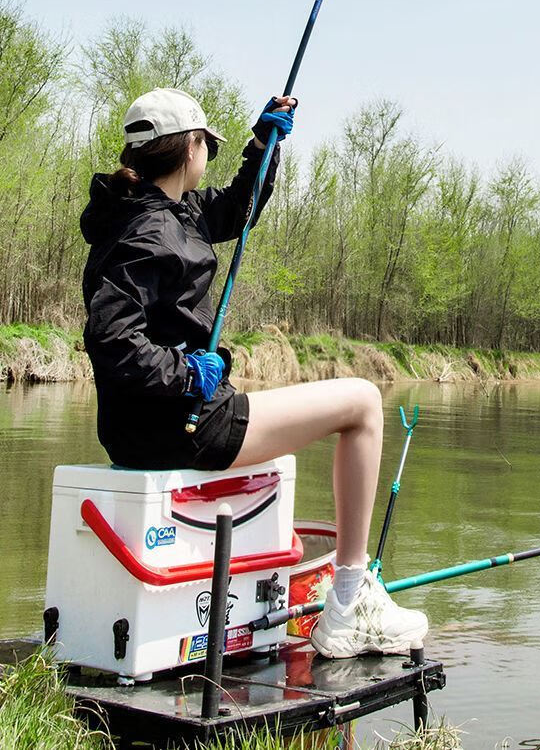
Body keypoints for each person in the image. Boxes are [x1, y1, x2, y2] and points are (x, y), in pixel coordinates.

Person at [80, 86, 428, 658]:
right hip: (180, 423)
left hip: (149, 421)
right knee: (364, 403)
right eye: (207, 147)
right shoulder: (150, 231)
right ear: (190, 148)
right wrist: (187, 373)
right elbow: (111, 341)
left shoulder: (158, 212)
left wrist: (263, 145)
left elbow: (234, 211)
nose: (208, 157)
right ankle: (348, 604)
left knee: (313, 428)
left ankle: (314, 597)